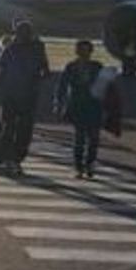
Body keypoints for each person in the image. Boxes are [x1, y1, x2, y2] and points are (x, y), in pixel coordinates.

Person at [0, 20, 49, 175]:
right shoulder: (16, 50)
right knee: (15, 128)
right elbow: (45, 71)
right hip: (19, 94)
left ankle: (12, 158)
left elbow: (2, 73)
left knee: (15, 128)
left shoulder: (14, 49)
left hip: (20, 94)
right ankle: (12, 158)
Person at [55, 40, 107, 178]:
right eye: (81, 50)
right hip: (78, 105)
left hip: (94, 106)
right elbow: (62, 86)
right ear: (77, 52)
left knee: (93, 139)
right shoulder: (71, 67)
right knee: (79, 139)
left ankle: (89, 164)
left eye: (86, 50)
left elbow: (105, 88)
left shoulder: (98, 67)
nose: (84, 54)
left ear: (90, 52)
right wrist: (59, 103)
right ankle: (79, 166)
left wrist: (107, 107)